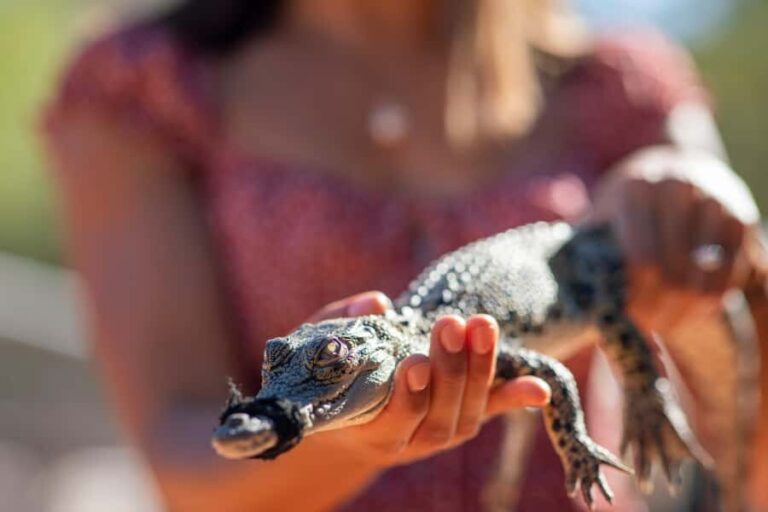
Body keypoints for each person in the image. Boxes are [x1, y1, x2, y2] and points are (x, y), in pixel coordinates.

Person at [42, 0, 763, 510]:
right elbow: (185, 459)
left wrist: (716, 225)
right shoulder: (144, 87)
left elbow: (747, 372)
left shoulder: (619, 85)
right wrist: (350, 439)